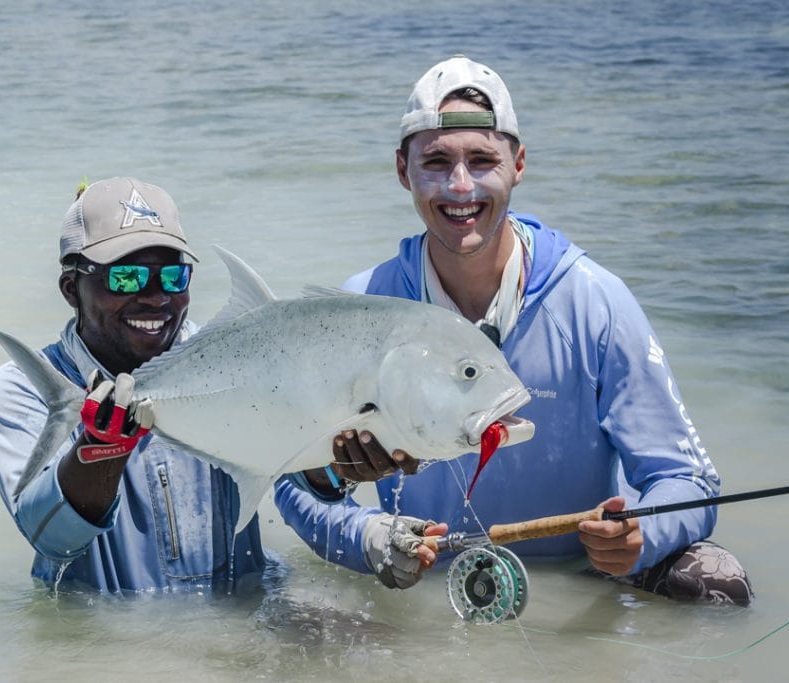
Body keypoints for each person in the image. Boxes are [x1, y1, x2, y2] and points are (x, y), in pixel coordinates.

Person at [275, 56, 753, 606]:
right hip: (420, 581)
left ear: (518, 164)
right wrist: (367, 537)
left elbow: (687, 479)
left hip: (581, 576)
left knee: (718, 582)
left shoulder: (595, 301)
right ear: (403, 170)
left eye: (482, 160)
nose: (460, 187)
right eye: (435, 161)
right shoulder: (360, 309)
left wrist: (643, 534)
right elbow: (292, 483)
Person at [0, 176, 270, 593]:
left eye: (173, 277)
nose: (155, 298)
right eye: (126, 278)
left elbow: (302, 483)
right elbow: (52, 540)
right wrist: (100, 454)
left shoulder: (228, 361)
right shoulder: (19, 390)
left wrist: (341, 472)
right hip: (114, 645)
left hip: (241, 628)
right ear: (71, 289)